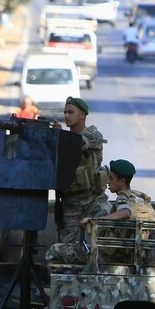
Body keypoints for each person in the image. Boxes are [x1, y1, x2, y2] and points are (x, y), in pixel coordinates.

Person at [47, 159, 155, 264]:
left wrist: (95, 220)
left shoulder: (123, 199)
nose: (108, 182)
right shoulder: (140, 198)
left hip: (111, 258)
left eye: (111, 178)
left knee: (55, 250)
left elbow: (126, 212)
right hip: (133, 257)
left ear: (122, 181)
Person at [54, 97, 111, 247]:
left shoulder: (92, 135)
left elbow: (77, 144)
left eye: (71, 112)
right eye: (65, 112)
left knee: (109, 236)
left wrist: (57, 136)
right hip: (71, 203)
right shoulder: (62, 141)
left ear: (83, 114)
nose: (66, 116)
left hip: (94, 200)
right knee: (67, 247)